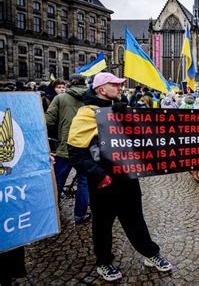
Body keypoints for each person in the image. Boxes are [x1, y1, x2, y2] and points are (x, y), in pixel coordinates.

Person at [67, 72, 172, 282]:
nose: (120, 87)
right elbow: (76, 154)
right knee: (103, 225)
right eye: (114, 84)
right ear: (101, 89)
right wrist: (98, 175)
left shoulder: (123, 107)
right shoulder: (85, 114)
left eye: (120, 84)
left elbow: (141, 140)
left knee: (136, 219)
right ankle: (103, 262)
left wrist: (127, 118)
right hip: (103, 181)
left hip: (128, 178)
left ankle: (150, 254)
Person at [45, 76, 91, 224]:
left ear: (70, 83)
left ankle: (52, 212)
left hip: (66, 145)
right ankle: (80, 216)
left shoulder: (60, 98)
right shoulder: (92, 98)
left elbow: (49, 120)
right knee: (84, 183)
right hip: (87, 147)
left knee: (58, 180)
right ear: (85, 83)